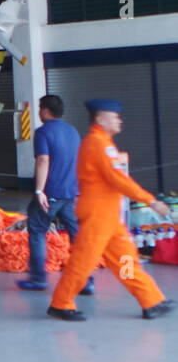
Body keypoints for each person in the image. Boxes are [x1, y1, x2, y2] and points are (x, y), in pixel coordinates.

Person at [48, 99, 174, 321]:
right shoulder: (98, 144)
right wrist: (151, 201)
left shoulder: (103, 142)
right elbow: (118, 179)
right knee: (83, 262)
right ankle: (61, 303)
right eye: (114, 116)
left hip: (108, 218)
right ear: (100, 119)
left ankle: (150, 300)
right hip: (98, 217)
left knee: (126, 259)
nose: (119, 120)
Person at [20, 94, 91, 293]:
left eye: (40, 109)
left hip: (50, 194)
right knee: (77, 236)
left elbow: (43, 161)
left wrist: (39, 191)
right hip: (71, 193)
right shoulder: (73, 132)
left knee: (37, 232)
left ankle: (38, 279)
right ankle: (86, 280)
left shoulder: (43, 132)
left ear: (44, 110)